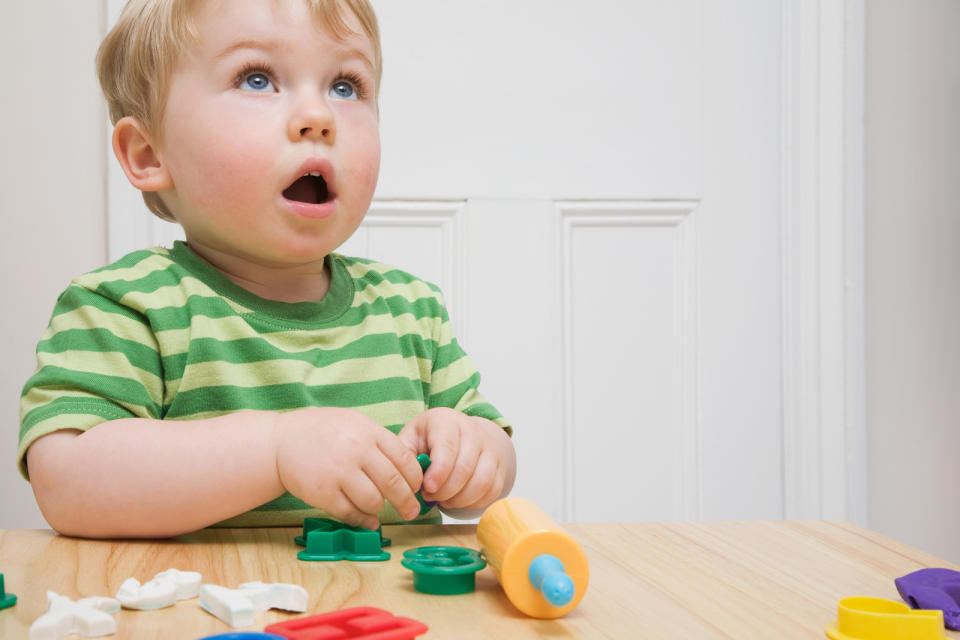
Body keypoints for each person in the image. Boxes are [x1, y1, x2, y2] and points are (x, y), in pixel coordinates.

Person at [18, 0, 515, 539]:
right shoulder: (125, 309)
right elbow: (66, 482)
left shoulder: (411, 312)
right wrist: (275, 449)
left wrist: (474, 452)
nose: (318, 117)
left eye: (345, 86)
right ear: (148, 153)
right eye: (256, 79)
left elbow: (493, 457)